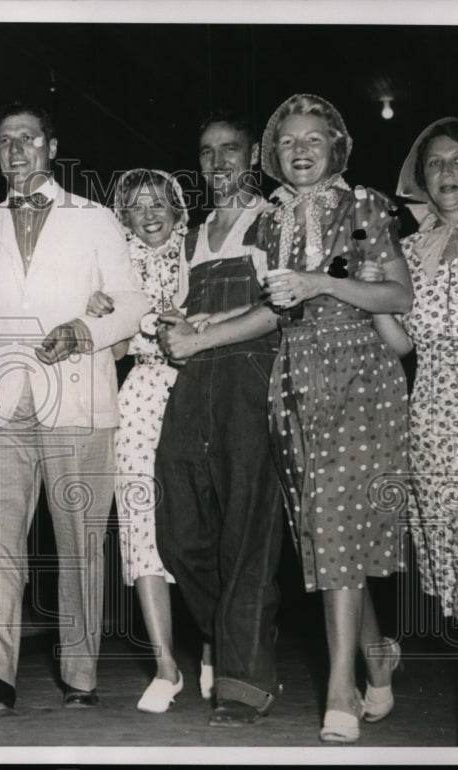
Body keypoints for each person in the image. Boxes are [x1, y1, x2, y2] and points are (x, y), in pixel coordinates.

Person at [0, 102, 149, 713]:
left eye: (27, 139)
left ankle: (80, 676)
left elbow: (133, 302)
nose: (15, 150)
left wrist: (83, 329)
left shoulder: (96, 219)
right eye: (5, 140)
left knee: (79, 542)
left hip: (77, 396)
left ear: (51, 148)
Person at [257, 94, 412, 744]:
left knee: (339, 529)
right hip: (297, 379)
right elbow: (276, 310)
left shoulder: (366, 206)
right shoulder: (270, 224)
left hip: (362, 379)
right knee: (327, 537)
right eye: (288, 141)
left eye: (312, 139)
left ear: (336, 147)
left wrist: (323, 283)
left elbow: (399, 295)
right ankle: (377, 656)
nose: (299, 150)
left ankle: (341, 690)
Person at [149, 113, 288, 728]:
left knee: (249, 530)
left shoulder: (276, 220)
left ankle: (244, 681)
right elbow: (178, 314)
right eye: (206, 153)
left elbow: (282, 312)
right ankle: (247, 634)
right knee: (178, 529)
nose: (217, 162)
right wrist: (168, 326)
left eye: (230, 149)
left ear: (253, 154)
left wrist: (201, 337)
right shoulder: (194, 232)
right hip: (196, 385)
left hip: (253, 378)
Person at [364, 118, 458, 747]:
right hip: (435, 417)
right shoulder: (410, 252)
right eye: (435, 161)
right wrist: (368, 294)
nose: (447, 172)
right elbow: (405, 342)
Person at [86, 167, 213, 713]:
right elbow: (113, 354)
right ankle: (166, 665)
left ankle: (216, 650)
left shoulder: (202, 251)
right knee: (142, 525)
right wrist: (97, 315)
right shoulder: (117, 269)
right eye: (137, 205)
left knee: (207, 523)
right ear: (124, 217)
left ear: (178, 206)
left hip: (205, 390)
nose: (151, 212)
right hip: (140, 395)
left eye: (160, 200)